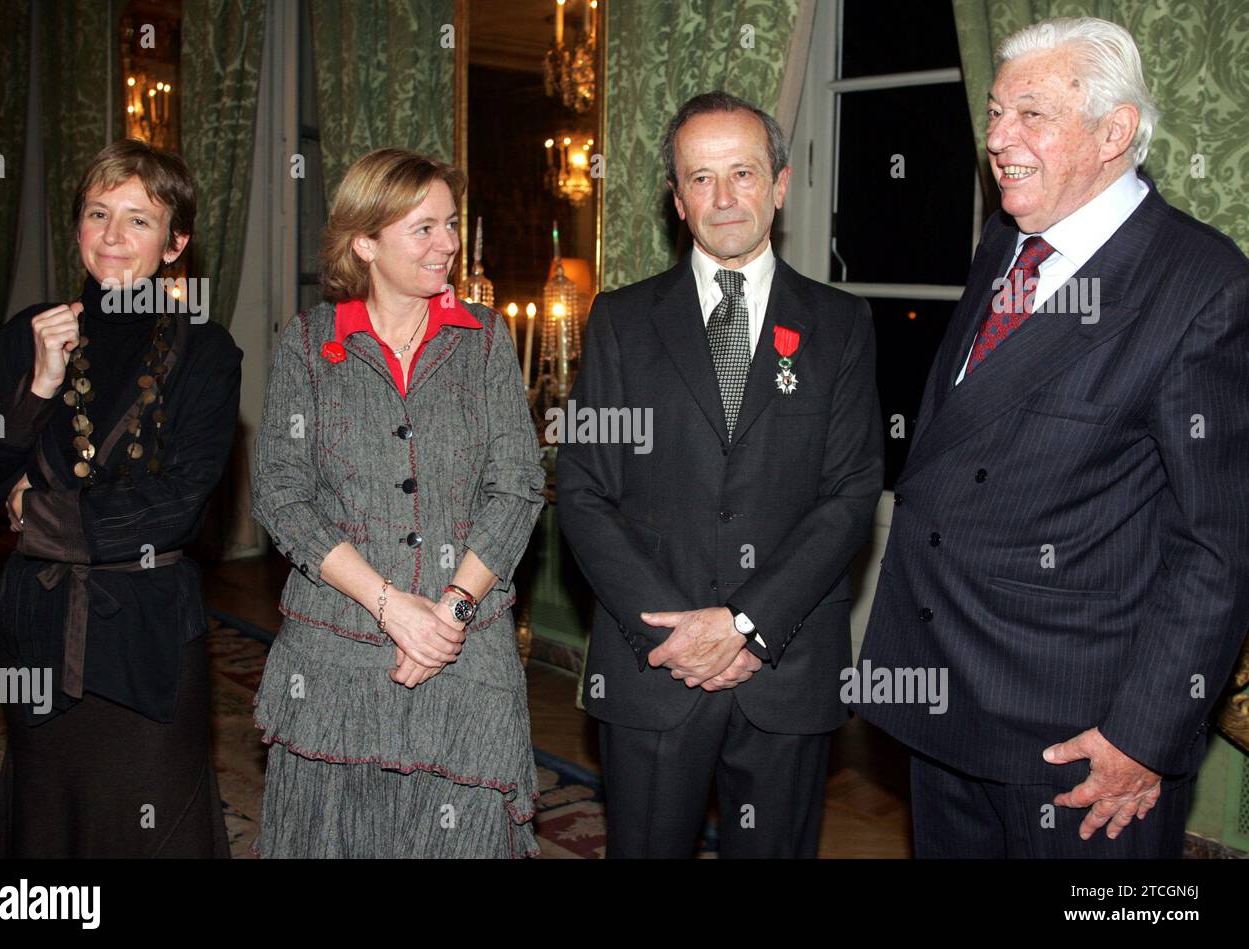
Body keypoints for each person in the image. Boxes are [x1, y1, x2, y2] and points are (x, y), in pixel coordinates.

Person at [856, 16, 1249, 858]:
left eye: (1030, 114)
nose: (997, 139)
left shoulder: (1201, 287)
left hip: (1081, 739)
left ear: (1116, 133)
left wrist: (1143, 737)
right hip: (945, 692)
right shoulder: (1005, 243)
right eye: (995, 113)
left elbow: (1219, 544)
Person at [556, 92, 883, 858]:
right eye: (701, 179)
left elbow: (850, 494)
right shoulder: (621, 321)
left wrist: (742, 625)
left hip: (786, 664)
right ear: (676, 200)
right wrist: (678, 634)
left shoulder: (841, 325)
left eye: (742, 172)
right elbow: (583, 491)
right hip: (653, 666)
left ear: (778, 183)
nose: (724, 197)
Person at [0, 139, 242, 857]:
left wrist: (33, 509)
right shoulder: (26, 336)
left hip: (144, 626)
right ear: (77, 225)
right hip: (38, 620)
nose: (113, 236)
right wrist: (36, 390)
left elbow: (179, 506)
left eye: (139, 220)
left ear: (175, 244)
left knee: (151, 820)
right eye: (97, 212)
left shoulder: (206, 351)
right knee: (47, 820)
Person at [250, 147, 544, 858]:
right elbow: (281, 494)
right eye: (424, 228)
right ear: (365, 241)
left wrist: (449, 613)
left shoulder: (484, 339)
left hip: (466, 647)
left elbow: (518, 485)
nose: (447, 243)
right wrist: (389, 604)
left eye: (450, 224)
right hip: (333, 653)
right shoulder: (309, 345)